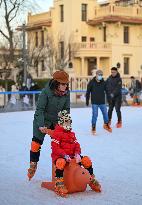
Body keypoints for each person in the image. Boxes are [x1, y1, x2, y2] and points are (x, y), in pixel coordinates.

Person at [45, 110, 101, 197]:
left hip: (72, 156)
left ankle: (91, 179)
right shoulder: (56, 134)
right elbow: (55, 148)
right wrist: (64, 155)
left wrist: (77, 153)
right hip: (60, 156)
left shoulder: (72, 134)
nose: (69, 124)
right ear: (61, 123)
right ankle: (59, 183)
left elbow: (77, 145)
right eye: (66, 122)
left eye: (69, 122)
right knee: (61, 162)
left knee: (86, 160)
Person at [27, 70, 70, 180]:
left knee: (61, 145)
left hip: (56, 122)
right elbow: (39, 110)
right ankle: (33, 164)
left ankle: (59, 172)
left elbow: (66, 110)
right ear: (56, 83)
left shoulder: (66, 93)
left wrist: (65, 125)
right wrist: (41, 125)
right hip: (42, 121)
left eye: (66, 84)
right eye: (63, 84)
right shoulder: (45, 92)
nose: (65, 86)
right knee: (36, 144)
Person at [86, 69, 112, 135]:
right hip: (94, 102)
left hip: (102, 102)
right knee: (95, 115)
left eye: (101, 75)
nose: (100, 76)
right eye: (99, 75)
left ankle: (106, 125)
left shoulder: (104, 82)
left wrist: (109, 100)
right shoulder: (91, 82)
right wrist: (87, 100)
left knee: (105, 114)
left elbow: (108, 92)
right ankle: (93, 127)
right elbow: (88, 92)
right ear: (96, 75)